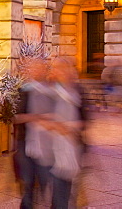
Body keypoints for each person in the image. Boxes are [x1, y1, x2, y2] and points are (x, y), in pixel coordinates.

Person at [45, 58, 86, 209]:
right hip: (51, 147)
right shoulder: (49, 90)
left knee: (67, 188)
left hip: (72, 145)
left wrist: (70, 127)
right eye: (56, 68)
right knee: (58, 187)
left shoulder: (77, 90)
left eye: (62, 68)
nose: (58, 71)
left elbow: (84, 120)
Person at [13, 58, 53, 209]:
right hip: (25, 142)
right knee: (28, 180)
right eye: (34, 68)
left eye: (40, 68)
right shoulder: (24, 91)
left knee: (45, 179)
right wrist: (36, 117)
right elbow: (15, 117)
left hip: (47, 143)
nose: (37, 71)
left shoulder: (52, 91)